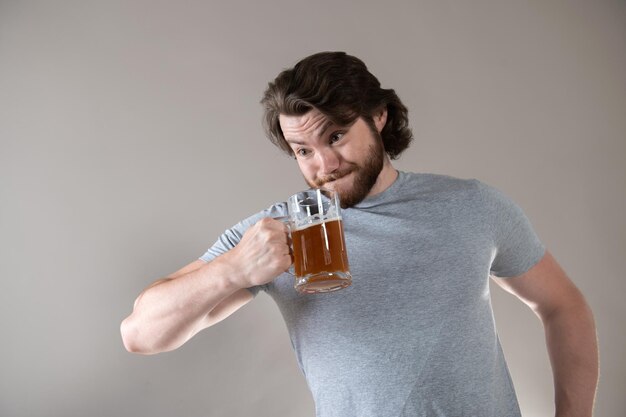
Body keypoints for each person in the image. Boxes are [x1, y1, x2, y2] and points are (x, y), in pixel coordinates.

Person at [121, 52, 598, 416]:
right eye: (302, 150)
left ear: (380, 117)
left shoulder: (472, 205)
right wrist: (230, 270)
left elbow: (563, 306)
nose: (323, 165)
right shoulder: (274, 233)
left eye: (335, 136)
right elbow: (141, 334)